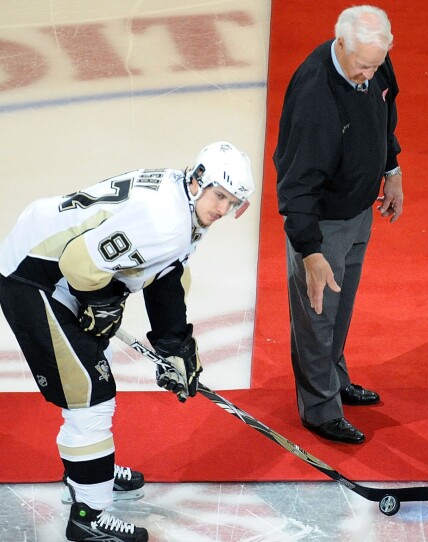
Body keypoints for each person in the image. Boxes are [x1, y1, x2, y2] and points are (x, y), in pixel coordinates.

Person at [0, 141, 255, 541]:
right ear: (199, 180)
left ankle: (89, 471)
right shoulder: (166, 219)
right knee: (91, 395)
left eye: (232, 201)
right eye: (219, 196)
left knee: (90, 378)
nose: (222, 209)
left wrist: (177, 348)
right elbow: (79, 265)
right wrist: (101, 303)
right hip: (33, 279)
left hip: (57, 273)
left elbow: (167, 275)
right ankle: (89, 516)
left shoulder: (183, 203)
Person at [273, 5, 402, 445]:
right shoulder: (314, 96)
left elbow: (386, 119)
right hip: (322, 225)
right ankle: (320, 409)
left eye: (377, 63)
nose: (369, 74)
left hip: (359, 212)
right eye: (362, 64)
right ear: (340, 43)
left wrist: (392, 171)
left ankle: (334, 378)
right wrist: (309, 252)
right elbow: (295, 187)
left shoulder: (376, 63)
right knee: (317, 318)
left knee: (339, 310)